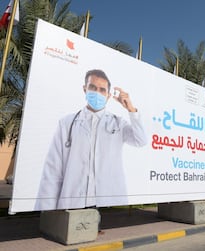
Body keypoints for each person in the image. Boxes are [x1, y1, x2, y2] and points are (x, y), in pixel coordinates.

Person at [35, 69, 147, 211]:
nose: (97, 93)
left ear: (108, 95)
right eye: (93, 88)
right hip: (74, 201)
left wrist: (131, 109)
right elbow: (52, 171)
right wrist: (47, 211)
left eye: (102, 90)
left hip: (108, 200)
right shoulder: (66, 123)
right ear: (85, 89)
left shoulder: (118, 123)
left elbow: (141, 140)